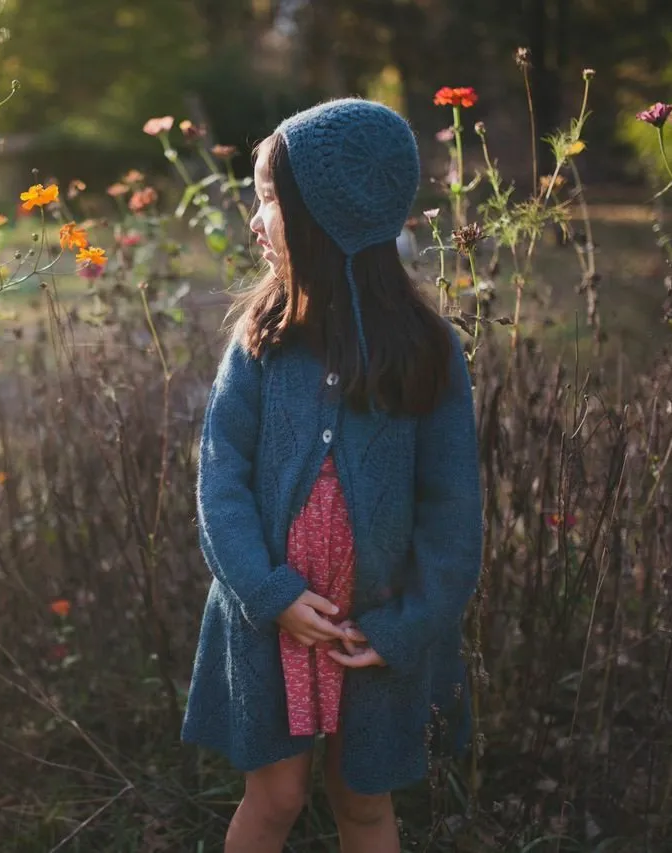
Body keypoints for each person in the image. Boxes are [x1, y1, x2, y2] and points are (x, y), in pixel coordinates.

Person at [181, 98, 483, 853]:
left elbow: (454, 513)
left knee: (364, 801)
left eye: (271, 198)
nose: (256, 218)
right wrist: (268, 591)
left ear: (328, 219)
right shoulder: (262, 341)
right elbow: (220, 482)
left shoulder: (427, 353)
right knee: (275, 795)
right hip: (271, 617)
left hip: (369, 629)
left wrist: (406, 626)